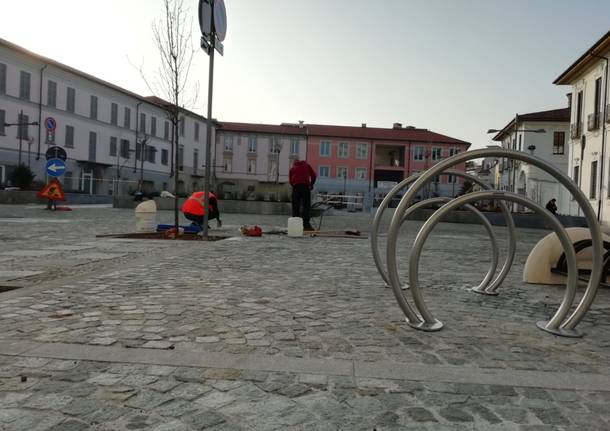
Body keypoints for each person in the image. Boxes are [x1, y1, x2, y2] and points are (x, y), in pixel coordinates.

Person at [289, 158, 317, 231]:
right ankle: (306, 226)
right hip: (305, 187)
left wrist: (294, 186)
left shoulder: (292, 169)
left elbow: (290, 181)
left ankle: (295, 226)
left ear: (294, 163)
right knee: (306, 207)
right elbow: (313, 175)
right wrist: (311, 184)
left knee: (295, 207)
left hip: (296, 188)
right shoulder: (307, 166)